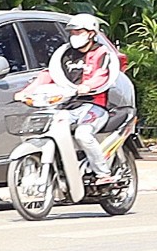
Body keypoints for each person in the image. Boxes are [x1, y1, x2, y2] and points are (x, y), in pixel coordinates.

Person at [47, 12, 120, 191]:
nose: (75, 36)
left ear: (91, 33)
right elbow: (49, 73)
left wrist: (88, 86)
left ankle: (103, 173)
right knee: (51, 130)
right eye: (72, 33)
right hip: (68, 105)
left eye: (79, 32)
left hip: (95, 105)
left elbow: (102, 74)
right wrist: (26, 92)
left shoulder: (102, 53)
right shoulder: (65, 54)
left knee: (83, 134)